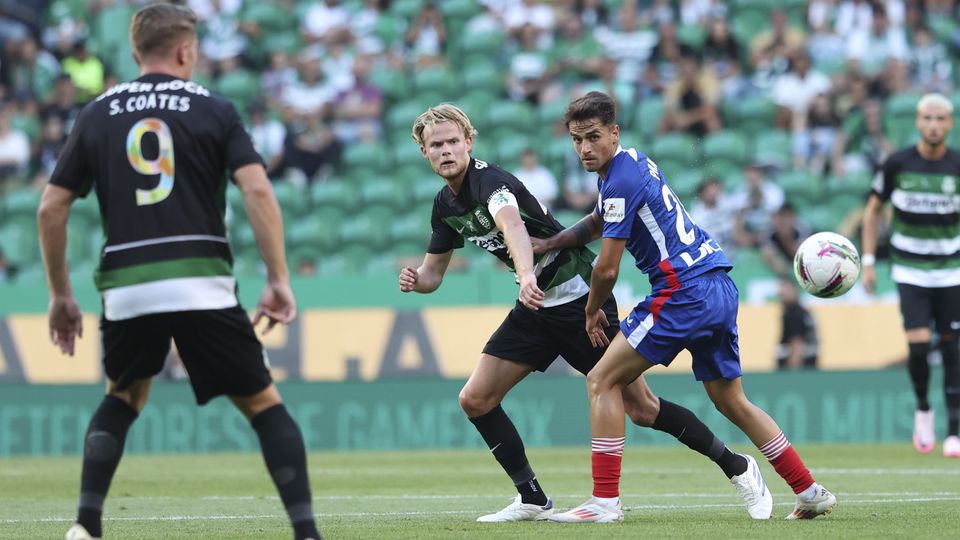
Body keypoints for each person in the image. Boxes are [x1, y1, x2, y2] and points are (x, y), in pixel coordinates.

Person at [399, 103, 771, 523]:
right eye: (436, 145)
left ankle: (737, 466)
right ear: (424, 152)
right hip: (536, 306)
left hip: (578, 298)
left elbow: (512, 227)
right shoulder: (444, 205)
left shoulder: (492, 183)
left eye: (452, 141)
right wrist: (417, 280)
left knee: (643, 409)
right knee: (476, 399)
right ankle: (533, 498)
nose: (446, 150)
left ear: (468, 142)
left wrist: (524, 275)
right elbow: (434, 274)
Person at [36, 5, 322, 540]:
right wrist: (279, 278)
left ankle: (85, 525)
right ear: (186, 50)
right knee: (262, 404)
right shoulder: (214, 108)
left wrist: (60, 294)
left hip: (126, 285)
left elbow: (51, 208)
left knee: (123, 395)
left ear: (135, 51)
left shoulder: (97, 112)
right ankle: (307, 533)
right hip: (200, 277)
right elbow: (257, 190)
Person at [538, 92, 836, 523]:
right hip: (717, 284)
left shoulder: (617, 179)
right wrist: (551, 241)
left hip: (682, 291)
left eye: (593, 137)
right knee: (732, 401)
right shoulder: (631, 163)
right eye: (577, 139)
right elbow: (599, 220)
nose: (584, 148)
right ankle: (808, 489)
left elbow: (606, 270)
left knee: (601, 379)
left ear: (614, 133)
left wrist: (591, 311)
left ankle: (604, 502)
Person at [861, 92, 960, 458]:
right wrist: (869, 260)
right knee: (918, 345)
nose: (933, 125)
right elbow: (872, 211)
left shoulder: (957, 164)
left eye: (941, 119)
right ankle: (923, 408)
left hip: (951, 270)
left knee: (953, 349)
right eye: (927, 118)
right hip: (911, 270)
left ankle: (954, 431)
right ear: (918, 122)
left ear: (949, 124)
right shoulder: (897, 163)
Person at [776, 278, 818, 370]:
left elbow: (797, 345)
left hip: (798, 373)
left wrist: (793, 376)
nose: (780, 293)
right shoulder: (803, 312)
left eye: (785, 289)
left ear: (795, 291)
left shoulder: (794, 314)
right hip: (809, 370)